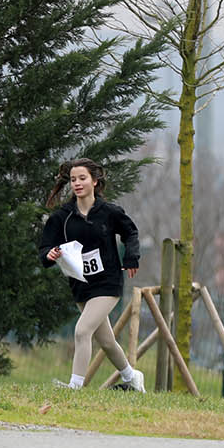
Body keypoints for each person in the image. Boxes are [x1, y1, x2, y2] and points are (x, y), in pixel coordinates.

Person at [39, 158, 146, 392]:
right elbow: (45, 246)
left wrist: (131, 258)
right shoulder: (62, 217)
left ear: (95, 181)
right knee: (106, 341)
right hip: (81, 285)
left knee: (82, 330)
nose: (77, 183)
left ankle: (75, 387)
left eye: (82, 178)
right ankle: (132, 378)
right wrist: (50, 254)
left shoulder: (109, 212)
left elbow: (131, 233)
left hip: (108, 282)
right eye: (73, 179)